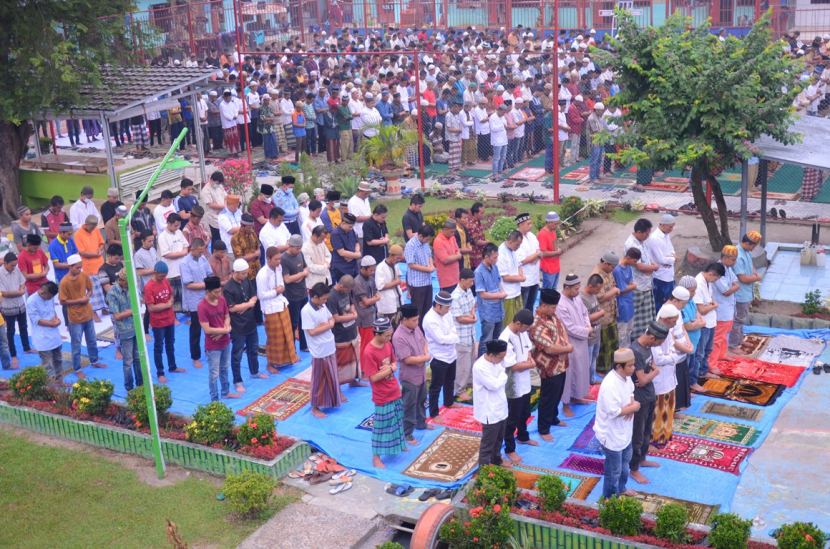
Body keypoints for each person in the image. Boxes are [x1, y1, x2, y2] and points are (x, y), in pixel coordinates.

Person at [594, 348, 641, 499]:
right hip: (611, 434)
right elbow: (612, 411)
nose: (634, 368)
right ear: (619, 366)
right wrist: (633, 408)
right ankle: (609, 499)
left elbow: (631, 392)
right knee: (614, 470)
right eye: (630, 366)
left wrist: (631, 407)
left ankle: (621, 488)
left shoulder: (626, 378)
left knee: (625, 464)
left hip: (625, 430)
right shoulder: (610, 385)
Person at [364, 317, 408, 468]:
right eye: (387, 336)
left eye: (391, 335)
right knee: (381, 426)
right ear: (377, 334)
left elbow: (394, 362)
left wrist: (392, 368)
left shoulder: (388, 344)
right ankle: (376, 457)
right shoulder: (369, 352)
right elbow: (374, 377)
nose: (390, 338)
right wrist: (390, 369)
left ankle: (400, 444)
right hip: (382, 395)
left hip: (394, 390)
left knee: (397, 419)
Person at [628, 321, 668, 485]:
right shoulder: (635, 351)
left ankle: (642, 459)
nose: (659, 345)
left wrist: (651, 372)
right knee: (637, 435)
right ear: (652, 337)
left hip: (649, 395)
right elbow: (643, 379)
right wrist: (656, 372)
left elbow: (650, 369)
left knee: (646, 431)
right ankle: (633, 468)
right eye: (658, 342)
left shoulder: (647, 347)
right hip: (639, 398)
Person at [531, 288, 572, 441]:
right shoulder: (537, 324)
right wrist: (567, 348)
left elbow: (562, 329)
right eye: (553, 307)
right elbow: (549, 348)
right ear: (543, 306)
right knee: (547, 398)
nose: (555, 310)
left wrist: (566, 343)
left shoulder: (552, 316)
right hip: (548, 367)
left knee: (557, 393)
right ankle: (543, 428)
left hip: (560, 363)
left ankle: (553, 418)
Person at [500, 309, 537, 464]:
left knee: (524, 412)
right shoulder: (505, 338)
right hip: (513, 384)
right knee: (512, 418)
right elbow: (512, 366)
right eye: (525, 327)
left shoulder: (522, 332)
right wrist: (531, 364)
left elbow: (528, 349)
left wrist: (529, 361)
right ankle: (509, 448)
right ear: (518, 323)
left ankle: (523, 436)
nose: (526, 331)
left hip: (525, 381)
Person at [59, 254, 105, 379]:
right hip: (75, 317)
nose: (79, 270)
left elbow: (90, 289)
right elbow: (63, 301)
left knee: (92, 339)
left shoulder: (84, 276)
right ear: (70, 267)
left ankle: (94, 361)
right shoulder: (64, 282)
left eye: (80, 267)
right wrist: (79, 300)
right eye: (77, 268)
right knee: (76, 343)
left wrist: (87, 297)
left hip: (87, 313)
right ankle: (77, 368)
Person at [393, 304, 433, 446]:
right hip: (409, 377)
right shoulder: (399, 337)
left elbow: (424, 342)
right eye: (414, 320)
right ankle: (407, 434)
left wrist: (425, 352)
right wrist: (425, 358)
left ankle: (421, 423)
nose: (417, 323)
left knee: (422, 400)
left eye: (417, 320)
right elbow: (407, 359)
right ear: (404, 320)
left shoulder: (415, 328)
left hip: (421, 373)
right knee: (409, 405)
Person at [224, 259, 266, 393]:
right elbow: (232, 308)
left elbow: (254, 296)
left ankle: (255, 371)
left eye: (246, 273)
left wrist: (246, 304)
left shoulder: (246, 280)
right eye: (243, 274)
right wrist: (247, 304)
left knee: (253, 349)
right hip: (238, 326)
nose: (245, 276)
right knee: (237, 355)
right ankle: (237, 381)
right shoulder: (228, 288)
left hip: (250, 322)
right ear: (235, 272)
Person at [302, 282, 342, 418]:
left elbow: (331, 319)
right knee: (318, 379)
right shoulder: (306, 311)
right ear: (314, 297)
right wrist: (328, 326)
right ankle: (315, 406)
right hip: (319, 350)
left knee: (332, 374)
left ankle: (332, 399)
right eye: (323, 299)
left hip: (329, 346)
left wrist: (328, 324)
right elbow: (312, 332)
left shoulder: (322, 305)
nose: (325, 301)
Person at [199, 275, 241, 401]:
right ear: (208, 292)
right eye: (216, 292)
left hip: (225, 342)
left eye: (219, 291)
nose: (219, 294)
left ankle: (225, 391)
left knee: (224, 368)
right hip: (213, 346)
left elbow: (227, 316)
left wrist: (226, 326)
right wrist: (224, 330)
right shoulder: (202, 307)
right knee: (214, 374)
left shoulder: (222, 300)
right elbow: (207, 329)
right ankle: (214, 399)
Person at [257, 246, 299, 373]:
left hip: (281, 304)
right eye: (276, 259)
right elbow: (261, 295)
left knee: (287, 332)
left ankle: (290, 357)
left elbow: (281, 283)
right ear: (268, 259)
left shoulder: (279, 267)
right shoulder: (262, 275)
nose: (278, 261)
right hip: (270, 308)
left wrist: (280, 288)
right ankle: (271, 363)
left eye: (279, 259)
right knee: (275, 336)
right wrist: (276, 291)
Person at [557, 274, 592, 418]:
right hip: (570, 343)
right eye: (576, 289)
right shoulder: (560, 304)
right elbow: (569, 328)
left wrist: (587, 325)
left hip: (582, 340)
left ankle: (576, 396)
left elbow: (585, 313)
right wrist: (586, 331)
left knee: (581, 370)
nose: (579, 292)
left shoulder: (576, 297)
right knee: (569, 373)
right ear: (567, 288)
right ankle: (565, 404)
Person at [473, 339, 512, 468]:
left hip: (500, 405)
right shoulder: (480, 367)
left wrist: (501, 376)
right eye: (500, 357)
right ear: (491, 355)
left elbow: (502, 373)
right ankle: (483, 471)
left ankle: (496, 460)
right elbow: (493, 385)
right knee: (488, 443)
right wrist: (502, 377)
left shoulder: (497, 362)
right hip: (489, 409)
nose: (502, 360)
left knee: (499, 438)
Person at [145, 261, 186, 383]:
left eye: (165, 276)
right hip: (158, 322)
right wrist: (167, 305)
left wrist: (169, 303)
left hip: (169, 319)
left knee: (170, 344)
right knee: (158, 347)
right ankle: (160, 372)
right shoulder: (149, 287)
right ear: (155, 272)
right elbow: (151, 308)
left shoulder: (166, 281)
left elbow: (171, 296)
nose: (163, 278)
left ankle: (172, 366)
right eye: (161, 276)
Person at [106, 269, 144, 392]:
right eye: (127, 283)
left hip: (136, 327)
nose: (128, 285)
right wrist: (132, 311)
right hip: (125, 330)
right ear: (120, 280)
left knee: (138, 358)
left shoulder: (131, 288)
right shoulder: (112, 294)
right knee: (128, 361)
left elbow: (139, 303)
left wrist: (129, 312)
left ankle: (141, 386)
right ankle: (129, 389)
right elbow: (116, 316)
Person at [624, 219, 660, 342]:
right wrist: (654, 267)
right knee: (636, 317)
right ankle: (636, 342)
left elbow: (648, 261)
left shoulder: (643, 242)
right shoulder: (631, 244)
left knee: (648, 317)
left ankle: (646, 339)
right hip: (637, 286)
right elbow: (640, 266)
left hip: (647, 284)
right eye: (646, 233)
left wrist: (651, 267)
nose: (648, 236)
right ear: (639, 232)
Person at [327, 275, 365, 391]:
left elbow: (351, 303)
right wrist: (352, 316)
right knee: (341, 363)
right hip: (340, 334)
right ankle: (337, 389)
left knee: (354, 358)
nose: (349, 292)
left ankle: (353, 380)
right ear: (341, 286)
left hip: (351, 329)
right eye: (348, 290)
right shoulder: (331, 297)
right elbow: (336, 318)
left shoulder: (346, 291)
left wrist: (353, 312)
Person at [181, 238, 213, 369]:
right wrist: (207, 285)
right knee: (196, 329)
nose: (201, 254)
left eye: (202, 251)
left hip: (206, 298)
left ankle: (209, 349)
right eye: (199, 252)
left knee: (210, 326)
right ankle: (195, 357)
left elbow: (209, 273)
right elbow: (188, 284)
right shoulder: (184, 263)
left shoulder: (202, 258)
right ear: (192, 249)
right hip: (194, 300)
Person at [730, 231, 763, 354]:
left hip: (746, 292)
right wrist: (757, 278)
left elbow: (751, 265)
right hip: (741, 294)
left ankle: (738, 339)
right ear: (748, 243)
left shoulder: (746, 252)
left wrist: (754, 273)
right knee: (738, 319)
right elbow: (743, 279)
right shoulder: (738, 256)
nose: (753, 249)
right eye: (753, 246)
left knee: (741, 319)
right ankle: (733, 345)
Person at [590, 252, 622, 377]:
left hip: (611, 313)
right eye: (611, 267)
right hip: (602, 315)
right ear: (605, 263)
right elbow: (600, 297)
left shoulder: (608, 272)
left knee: (613, 342)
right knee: (604, 345)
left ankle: (611, 367)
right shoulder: (596, 275)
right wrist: (614, 291)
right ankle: (601, 370)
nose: (612, 270)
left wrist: (613, 290)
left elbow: (613, 285)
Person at [693, 263, 725, 386]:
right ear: (710, 274)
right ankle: (693, 379)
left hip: (711, 322)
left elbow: (710, 300)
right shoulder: (698, 284)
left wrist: (711, 305)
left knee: (707, 350)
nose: (715, 281)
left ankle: (703, 371)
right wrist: (714, 306)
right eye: (715, 279)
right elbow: (701, 309)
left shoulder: (708, 281)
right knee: (699, 353)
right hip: (704, 324)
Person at [666, 287, 696, 414]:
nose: (684, 306)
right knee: (675, 381)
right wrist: (685, 349)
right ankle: (674, 410)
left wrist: (689, 342)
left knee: (682, 377)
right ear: (675, 300)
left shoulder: (676, 310)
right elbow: (671, 339)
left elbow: (682, 328)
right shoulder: (666, 312)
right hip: (674, 353)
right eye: (683, 303)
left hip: (682, 351)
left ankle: (680, 405)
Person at [27, 282, 63, 383]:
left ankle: (59, 381)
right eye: (49, 297)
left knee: (58, 360)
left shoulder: (49, 297)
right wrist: (52, 324)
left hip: (54, 335)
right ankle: (43, 386)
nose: (51, 299)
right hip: (43, 337)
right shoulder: (31, 301)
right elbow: (36, 320)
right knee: (47, 366)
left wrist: (57, 319)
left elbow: (52, 310)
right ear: (43, 293)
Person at [475, 243, 507, 357]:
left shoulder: (495, 267)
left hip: (498, 309)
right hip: (487, 312)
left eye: (497, 257)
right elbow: (482, 294)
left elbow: (499, 282)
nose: (496, 260)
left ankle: (494, 360)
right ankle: (481, 364)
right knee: (486, 340)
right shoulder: (479, 272)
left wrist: (501, 292)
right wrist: (499, 295)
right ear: (486, 257)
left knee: (497, 338)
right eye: (494, 257)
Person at [0, 253, 32, 364]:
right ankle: (13, 354)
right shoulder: (0, 274)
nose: (14, 267)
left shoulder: (17, 270)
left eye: (15, 265)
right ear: (5, 263)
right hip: (8, 307)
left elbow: (23, 283)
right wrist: (20, 292)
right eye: (12, 265)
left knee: (24, 327)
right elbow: (4, 293)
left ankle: (26, 348)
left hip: (20, 305)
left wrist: (21, 290)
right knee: (10, 331)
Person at [451, 269, 477, 402]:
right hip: (461, 337)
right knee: (463, 366)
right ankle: (459, 389)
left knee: (471, 361)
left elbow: (473, 305)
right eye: (470, 281)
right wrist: (473, 319)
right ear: (462, 280)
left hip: (471, 334)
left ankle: (470, 381)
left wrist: (472, 315)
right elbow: (459, 318)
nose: (472, 284)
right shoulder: (455, 297)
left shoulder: (468, 291)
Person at [231, 214, 262, 323]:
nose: (251, 229)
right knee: (247, 298)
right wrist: (254, 255)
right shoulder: (235, 239)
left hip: (257, 270)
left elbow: (259, 250)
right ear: (242, 225)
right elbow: (240, 259)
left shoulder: (253, 233)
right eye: (248, 227)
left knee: (257, 296)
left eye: (251, 227)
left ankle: (258, 320)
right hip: (245, 274)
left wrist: (253, 255)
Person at [712, 246, 740, 363]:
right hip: (721, 310)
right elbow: (726, 291)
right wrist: (736, 287)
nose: (735, 262)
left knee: (723, 336)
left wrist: (734, 286)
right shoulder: (717, 270)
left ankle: (722, 355)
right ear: (724, 258)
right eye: (733, 260)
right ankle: (711, 364)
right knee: (717, 338)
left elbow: (734, 281)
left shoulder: (728, 268)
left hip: (728, 309)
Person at [158, 213, 189, 318]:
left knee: (183, 293)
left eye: (178, 225)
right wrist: (182, 253)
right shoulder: (162, 237)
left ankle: (185, 310)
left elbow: (186, 246)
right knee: (173, 295)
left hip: (182, 268)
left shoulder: (179, 232)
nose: (177, 227)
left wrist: (182, 253)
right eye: (175, 225)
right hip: (171, 271)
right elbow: (167, 254)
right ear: (169, 223)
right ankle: (173, 317)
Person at [404, 224, 436, 326]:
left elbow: (429, 255)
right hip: (417, 283)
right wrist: (427, 269)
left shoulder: (425, 243)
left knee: (427, 310)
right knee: (418, 311)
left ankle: (425, 332)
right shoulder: (411, 245)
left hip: (427, 281)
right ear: (421, 236)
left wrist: (431, 265)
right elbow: (411, 264)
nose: (428, 241)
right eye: (427, 239)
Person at [282, 234, 310, 353]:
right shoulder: (284, 259)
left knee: (304, 321)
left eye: (300, 248)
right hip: (292, 297)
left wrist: (300, 275)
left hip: (303, 293)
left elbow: (306, 269)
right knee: (293, 323)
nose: (298, 250)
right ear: (290, 245)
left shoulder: (300, 254)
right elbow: (287, 279)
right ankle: (291, 350)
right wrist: (301, 275)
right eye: (297, 248)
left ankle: (303, 345)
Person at [647, 214, 677, 308]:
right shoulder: (654, 238)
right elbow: (661, 259)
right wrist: (673, 259)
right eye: (670, 227)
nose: (671, 230)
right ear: (663, 225)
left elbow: (671, 249)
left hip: (669, 273)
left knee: (669, 300)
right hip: (660, 276)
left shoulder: (666, 234)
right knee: (660, 302)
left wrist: (671, 256)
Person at [497, 231, 525, 327]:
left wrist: (521, 275)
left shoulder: (514, 250)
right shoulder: (501, 254)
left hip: (517, 291)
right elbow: (505, 278)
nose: (519, 247)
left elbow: (519, 265)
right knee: (509, 324)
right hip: (508, 294)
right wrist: (521, 279)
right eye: (517, 244)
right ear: (510, 242)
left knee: (519, 321)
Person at [614, 248, 640, 348]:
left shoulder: (628, 267)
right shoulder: (618, 270)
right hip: (621, 306)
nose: (635, 263)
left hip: (629, 304)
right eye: (634, 261)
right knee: (622, 334)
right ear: (628, 258)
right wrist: (633, 286)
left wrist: (630, 286)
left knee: (629, 332)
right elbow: (622, 290)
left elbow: (630, 282)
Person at [355, 256, 381, 358]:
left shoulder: (370, 278)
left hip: (372, 315)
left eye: (373, 270)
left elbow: (375, 294)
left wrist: (372, 300)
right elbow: (366, 301)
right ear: (363, 269)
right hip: (365, 318)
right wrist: (374, 299)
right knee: (367, 345)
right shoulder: (358, 282)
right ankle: (365, 368)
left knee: (373, 343)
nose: (373, 272)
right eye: (371, 270)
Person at [515, 214, 541, 312]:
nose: (531, 226)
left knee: (531, 305)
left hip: (534, 278)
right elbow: (522, 261)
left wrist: (537, 255)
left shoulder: (531, 235)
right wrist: (536, 255)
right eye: (528, 224)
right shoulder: (517, 238)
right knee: (522, 307)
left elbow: (539, 250)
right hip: (524, 281)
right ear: (521, 225)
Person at [375, 244, 404, 329]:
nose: (399, 260)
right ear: (391, 255)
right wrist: (395, 283)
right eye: (397, 258)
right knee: (390, 328)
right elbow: (380, 286)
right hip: (388, 302)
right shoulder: (381, 267)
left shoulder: (396, 264)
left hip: (397, 299)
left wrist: (396, 281)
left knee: (399, 325)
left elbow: (398, 276)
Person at [434, 219, 462, 293]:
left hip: (456, 276)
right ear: (445, 229)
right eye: (451, 232)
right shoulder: (438, 241)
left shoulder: (452, 237)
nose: (453, 234)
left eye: (454, 232)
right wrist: (458, 256)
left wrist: (456, 255)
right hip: (446, 281)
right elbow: (445, 260)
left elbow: (457, 249)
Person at [330, 213, 361, 282]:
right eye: (350, 227)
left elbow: (356, 243)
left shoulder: (351, 231)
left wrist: (356, 253)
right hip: (342, 268)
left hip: (353, 266)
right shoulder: (336, 234)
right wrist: (357, 255)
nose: (351, 229)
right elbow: (342, 252)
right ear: (344, 223)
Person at [537, 212, 563, 291]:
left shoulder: (553, 231)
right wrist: (557, 252)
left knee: (554, 289)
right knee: (547, 291)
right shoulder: (542, 234)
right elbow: (543, 253)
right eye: (555, 224)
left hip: (555, 266)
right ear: (549, 223)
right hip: (548, 268)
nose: (557, 226)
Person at [202, 171, 228, 244]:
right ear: (211, 180)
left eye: (219, 183)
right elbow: (210, 204)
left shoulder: (219, 186)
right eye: (217, 183)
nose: (218, 185)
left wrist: (224, 206)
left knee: (224, 236)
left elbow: (226, 197)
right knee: (217, 238)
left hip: (223, 213)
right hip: (214, 216)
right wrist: (224, 207)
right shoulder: (206, 190)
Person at [347, 181, 373, 252]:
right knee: (360, 253)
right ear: (360, 191)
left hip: (369, 230)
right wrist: (371, 217)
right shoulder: (353, 202)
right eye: (365, 193)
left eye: (368, 193)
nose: (367, 195)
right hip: (359, 232)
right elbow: (356, 218)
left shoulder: (366, 199)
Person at [468, 202, 489, 269]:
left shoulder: (479, 223)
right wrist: (487, 242)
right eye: (481, 213)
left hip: (481, 255)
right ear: (475, 214)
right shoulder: (471, 226)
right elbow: (476, 242)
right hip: (475, 257)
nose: (483, 215)